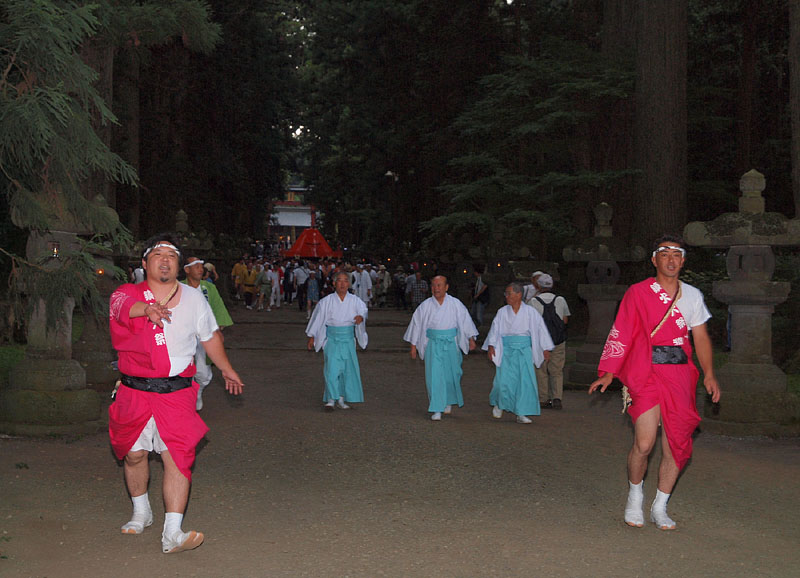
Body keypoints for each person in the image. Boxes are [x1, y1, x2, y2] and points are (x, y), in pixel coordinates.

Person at [108, 234, 244, 554]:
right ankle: (142, 512)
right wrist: (148, 310)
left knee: (177, 458)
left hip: (176, 392)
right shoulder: (127, 292)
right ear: (145, 264)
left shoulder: (195, 298)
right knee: (135, 454)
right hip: (134, 390)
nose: (165, 259)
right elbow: (121, 307)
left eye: (172, 255)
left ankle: (173, 532)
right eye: (157, 254)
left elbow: (209, 337)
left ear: (179, 265)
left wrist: (226, 368)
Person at [589, 234, 721, 531]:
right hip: (644, 371)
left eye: (677, 254)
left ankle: (660, 505)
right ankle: (635, 495)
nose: (671, 259)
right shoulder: (638, 292)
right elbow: (622, 330)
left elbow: (700, 337)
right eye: (665, 254)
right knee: (645, 442)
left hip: (680, 375)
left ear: (683, 261)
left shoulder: (692, 295)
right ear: (654, 260)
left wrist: (709, 373)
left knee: (676, 444)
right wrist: (610, 370)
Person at [404, 275, 478, 421]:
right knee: (434, 375)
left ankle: (448, 400)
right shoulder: (425, 306)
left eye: (439, 285)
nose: (436, 288)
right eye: (433, 285)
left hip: (451, 343)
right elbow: (416, 326)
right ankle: (437, 407)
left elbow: (465, 321)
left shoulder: (455, 304)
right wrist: (413, 346)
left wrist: (470, 338)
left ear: (446, 287)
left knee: (452, 375)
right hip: (433, 343)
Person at [483, 282, 554, 423]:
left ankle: (522, 412)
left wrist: (545, 348)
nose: (507, 296)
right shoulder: (502, 312)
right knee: (502, 381)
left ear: (519, 294)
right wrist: (491, 346)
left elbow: (540, 330)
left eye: (509, 293)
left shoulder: (530, 312)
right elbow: (495, 330)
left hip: (524, 350)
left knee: (524, 381)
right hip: (506, 350)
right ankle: (499, 404)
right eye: (506, 293)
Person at [306, 271, 368, 410]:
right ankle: (330, 399)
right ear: (334, 283)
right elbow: (318, 319)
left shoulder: (355, 300)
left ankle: (341, 398)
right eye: (339, 280)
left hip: (347, 339)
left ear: (349, 284)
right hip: (332, 339)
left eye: (345, 280)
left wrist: (360, 317)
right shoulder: (326, 301)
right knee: (332, 369)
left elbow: (363, 310)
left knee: (346, 369)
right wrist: (312, 336)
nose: (342, 283)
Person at [182, 256, 235, 411]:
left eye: (201, 266)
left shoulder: (209, 288)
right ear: (187, 269)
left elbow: (218, 309)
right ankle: (185, 400)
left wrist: (217, 329)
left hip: (203, 336)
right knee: (182, 370)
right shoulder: (178, 287)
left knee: (203, 374)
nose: (200, 268)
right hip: (183, 336)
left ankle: (197, 391)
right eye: (196, 265)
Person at [527, 273, 571, 410]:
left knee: (541, 369)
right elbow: (565, 320)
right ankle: (557, 397)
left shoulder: (533, 302)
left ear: (538, 286)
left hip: (540, 341)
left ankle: (543, 398)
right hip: (558, 340)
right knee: (557, 370)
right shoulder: (561, 300)